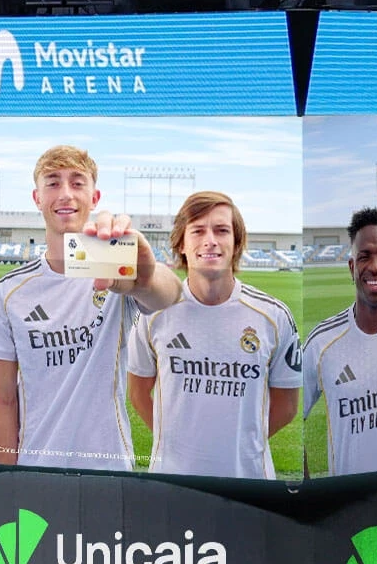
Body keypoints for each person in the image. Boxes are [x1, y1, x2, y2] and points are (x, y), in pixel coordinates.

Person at [0, 146, 185, 469]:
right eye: (52, 183)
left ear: (95, 197)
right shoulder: (9, 293)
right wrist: (11, 478)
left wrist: (144, 277)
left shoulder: (113, 266)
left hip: (109, 469)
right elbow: (3, 398)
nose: (65, 194)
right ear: (37, 197)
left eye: (77, 183)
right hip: (38, 469)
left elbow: (170, 294)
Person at [127, 191, 301, 479]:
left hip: (250, 484)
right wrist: (176, 445)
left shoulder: (274, 316)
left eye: (222, 230)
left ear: (236, 244)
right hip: (173, 483)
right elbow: (137, 392)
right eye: (197, 231)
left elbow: (288, 405)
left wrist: (241, 445)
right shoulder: (153, 312)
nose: (210, 240)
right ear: (181, 243)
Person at [303, 208, 377, 476]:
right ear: (352, 267)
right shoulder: (322, 343)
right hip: (346, 505)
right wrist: (307, 490)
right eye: (365, 257)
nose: (376, 266)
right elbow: (290, 411)